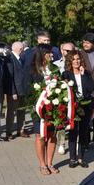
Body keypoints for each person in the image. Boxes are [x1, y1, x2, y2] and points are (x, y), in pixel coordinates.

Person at [30, 45, 62, 175]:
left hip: (54, 107)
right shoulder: (33, 71)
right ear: (42, 54)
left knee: (53, 135)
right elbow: (29, 89)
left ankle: (50, 162)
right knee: (40, 135)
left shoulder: (55, 69)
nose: (52, 55)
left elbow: (60, 85)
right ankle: (42, 164)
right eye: (49, 53)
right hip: (39, 108)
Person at [62, 50, 94, 168]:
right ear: (70, 61)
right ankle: (72, 158)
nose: (76, 61)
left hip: (85, 106)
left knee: (83, 132)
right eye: (74, 59)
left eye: (78, 59)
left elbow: (91, 88)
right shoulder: (66, 74)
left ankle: (81, 158)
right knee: (72, 132)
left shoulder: (86, 73)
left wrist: (83, 75)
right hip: (73, 107)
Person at [4, 42, 30, 139]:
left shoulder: (21, 59)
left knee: (22, 112)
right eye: (22, 49)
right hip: (14, 91)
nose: (23, 51)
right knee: (11, 112)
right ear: (19, 49)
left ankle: (21, 129)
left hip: (23, 90)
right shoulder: (10, 59)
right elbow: (10, 77)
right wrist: (13, 92)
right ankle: (9, 131)